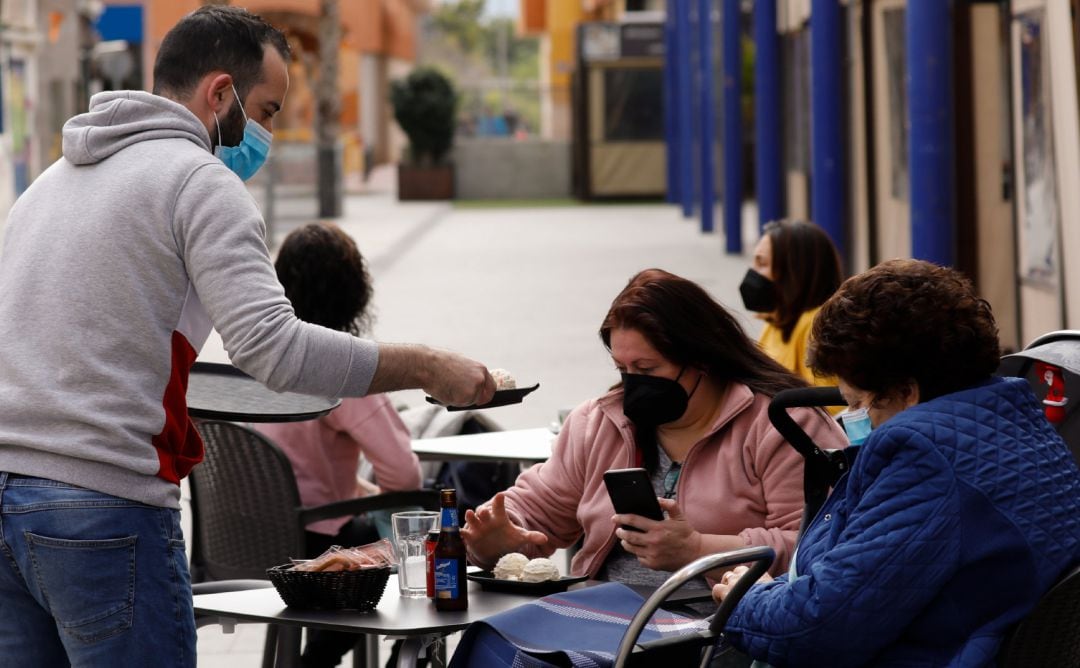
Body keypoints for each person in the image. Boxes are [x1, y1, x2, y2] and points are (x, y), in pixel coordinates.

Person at [0, 7, 493, 667]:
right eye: (266, 109)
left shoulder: (46, 187)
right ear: (220, 92)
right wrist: (427, 366)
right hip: (103, 508)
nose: (266, 132)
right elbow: (272, 350)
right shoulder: (200, 180)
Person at [715, 259, 1080, 667]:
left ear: (906, 391)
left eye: (857, 404)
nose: (854, 420)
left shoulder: (925, 457)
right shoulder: (1012, 420)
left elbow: (815, 628)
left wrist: (744, 597)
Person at [462, 269, 846, 592]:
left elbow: (820, 546)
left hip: (721, 631)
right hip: (605, 619)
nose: (632, 385)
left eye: (647, 370)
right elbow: (537, 507)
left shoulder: (785, 425)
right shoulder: (600, 423)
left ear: (702, 359)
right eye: (622, 370)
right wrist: (499, 538)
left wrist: (698, 550)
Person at [254, 222, 422, 667]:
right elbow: (405, 477)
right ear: (355, 291)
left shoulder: (253, 358)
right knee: (420, 533)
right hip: (315, 550)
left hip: (241, 540)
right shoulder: (346, 369)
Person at [739, 220, 843, 387]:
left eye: (762, 264)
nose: (753, 273)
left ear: (793, 272)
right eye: (755, 262)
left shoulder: (815, 327)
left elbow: (828, 405)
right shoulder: (776, 319)